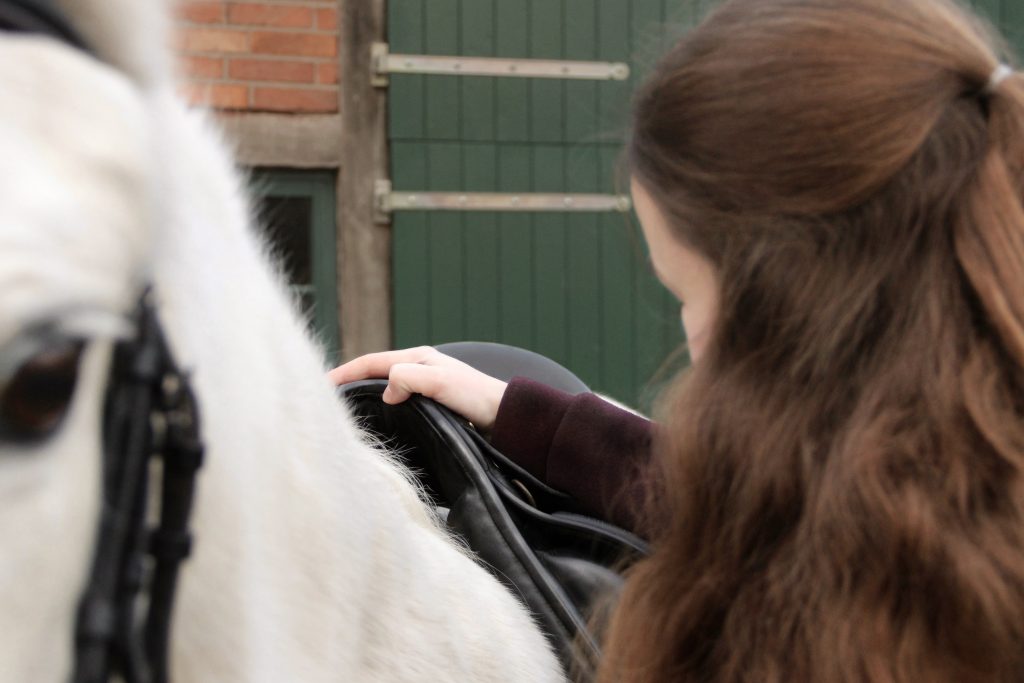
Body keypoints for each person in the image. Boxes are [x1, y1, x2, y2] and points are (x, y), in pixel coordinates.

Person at [334, 0, 1024, 679]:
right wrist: (517, 410)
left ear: (797, 292)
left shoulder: (895, 601)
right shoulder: (947, 464)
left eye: (691, 295)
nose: (693, 341)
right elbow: (735, 489)